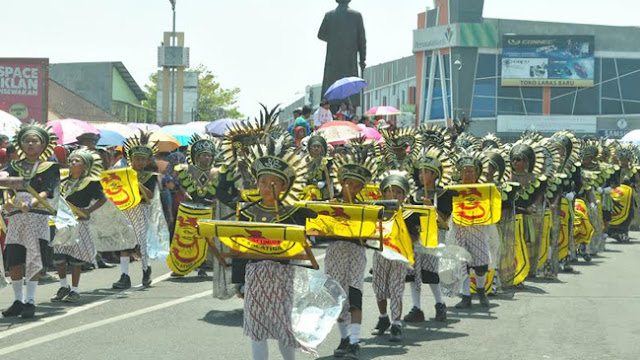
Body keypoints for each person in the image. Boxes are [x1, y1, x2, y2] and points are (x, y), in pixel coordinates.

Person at [231, 131, 312, 360]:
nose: (268, 187)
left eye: (274, 183)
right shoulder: (246, 212)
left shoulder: (294, 213)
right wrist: (240, 282)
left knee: (283, 328)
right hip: (254, 275)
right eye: (263, 182)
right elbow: (239, 247)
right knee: (257, 330)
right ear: (256, 183)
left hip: (283, 276)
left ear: (285, 186)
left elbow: (302, 246)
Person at [326, 139, 379, 359]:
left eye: (358, 186)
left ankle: (356, 342)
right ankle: (344, 338)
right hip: (335, 252)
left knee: (354, 295)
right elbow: (320, 230)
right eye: (349, 183)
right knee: (337, 298)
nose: (353, 188)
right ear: (341, 182)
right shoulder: (330, 203)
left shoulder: (365, 207)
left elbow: (370, 233)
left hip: (356, 253)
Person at [0, 122, 60, 318]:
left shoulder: (49, 167)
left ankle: (30, 301)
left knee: (33, 258)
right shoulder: (14, 165)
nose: (30, 144)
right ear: (21, 144)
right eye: (26, 141)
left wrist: (32, 203)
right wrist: (8, 201)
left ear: (43, 145)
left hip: (36, 215)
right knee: (14, 260)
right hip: (17, 217)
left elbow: (48, 190)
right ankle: (18, 300)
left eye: (34, 141)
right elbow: (6, 184)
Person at [404, 145, 453, 323]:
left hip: (434, 236)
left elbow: (445, 221)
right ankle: (416, 308)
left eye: (425, 172)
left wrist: (431, 208)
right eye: (419, 173)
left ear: (435, 175)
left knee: (430, 272)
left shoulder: (445, 194)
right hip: (416, 237)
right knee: (413, 273)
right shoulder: (413, 194)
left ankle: (440, 304)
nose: (421, 176)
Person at [51, 148, 106, 303]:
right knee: (59, 257)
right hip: (61, 222)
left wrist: (89, 210)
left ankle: (75, 290)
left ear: (85, 166)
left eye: (77, 161)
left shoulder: (91, 183)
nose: (73, 163)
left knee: (76, 258)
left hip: (79, 223)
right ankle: (63, 286)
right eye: (72, 160)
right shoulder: (63, 182)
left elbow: (103, 199)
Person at [112, 131, 159, 289]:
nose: (139, 162)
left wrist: (137, 183)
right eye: (136, 159)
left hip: (142, 210)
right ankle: (124, 276)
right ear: (130, 160)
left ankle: (146, 269)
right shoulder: (123, 174)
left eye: (142, 159)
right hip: (126, 210)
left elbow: (150, 195)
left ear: (146, 161)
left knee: (142, 243)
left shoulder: (150, 176)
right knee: (124, 243)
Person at [171, 134, 220, 277]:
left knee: (204, 240)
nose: (207, 158)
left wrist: (216, 199)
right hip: (189, 209)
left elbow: (221, 190)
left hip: (207, 209)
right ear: (197, 157)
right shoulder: (187, 170)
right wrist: (184, 192)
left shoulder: (217, 172)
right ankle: (179, 267)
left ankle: (202, 267)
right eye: (204, 155)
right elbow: (178, 185)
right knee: (184, 238)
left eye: (209, 156)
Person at [371, 171, 412, 342]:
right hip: (380, 254)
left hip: (399, 256)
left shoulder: (410, 213)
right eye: (390, 191)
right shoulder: (374, 210)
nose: (394, 195)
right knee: (379, 288)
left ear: (404, 196)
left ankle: (396, 324)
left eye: (398, 192)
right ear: (383, 193)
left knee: (396, 290)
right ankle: (383, 317)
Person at [451, 150, 492, 309]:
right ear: (460, 173)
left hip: (478, 229)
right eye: (465, 171)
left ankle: (481, 292)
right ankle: (466, 296)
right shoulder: (454, 189)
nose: (468, 173)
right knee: (463, 265)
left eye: (471, 170)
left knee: (481, 265)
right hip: (460, 230)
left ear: (476, 172)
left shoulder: (484, 189)